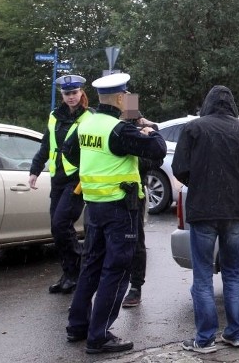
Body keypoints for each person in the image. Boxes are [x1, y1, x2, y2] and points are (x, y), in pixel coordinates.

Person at [62, 73, 167, 355]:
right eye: (127, 95)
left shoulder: (88, 123)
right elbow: (159, 149)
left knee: (91, 266)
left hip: (94, 206)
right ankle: (99, 336)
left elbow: (68, 151)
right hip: (120, 207)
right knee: (117, 271)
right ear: (121, 98)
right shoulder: (118, 130)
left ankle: (78, 326)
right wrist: (148, 129)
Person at [172, 85, 239, 354]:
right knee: (234, 273)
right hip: (235, 210)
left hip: (203, 211)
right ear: (232, 104)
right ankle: (236, 332)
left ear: (207, 103)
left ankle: (205, 338)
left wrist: (199, 183)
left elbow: (179, 168)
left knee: (203, 276)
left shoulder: (194, 129)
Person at [28, 74, 92, 295]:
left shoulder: (88, 118)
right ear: (62, 96)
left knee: (61, 223)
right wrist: (35, 170)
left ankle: (78, 269)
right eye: (67, 94)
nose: (71, 97)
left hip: (77, 179)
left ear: (81, 93)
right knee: (57, 229)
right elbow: (46, 145)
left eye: (74, 93)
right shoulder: (55, 116)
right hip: (58, 179)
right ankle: (69, 274)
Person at [122, 112, 163, 309]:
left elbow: (156, 159)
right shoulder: (111, 127)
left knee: (136, 242)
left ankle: (135, 287)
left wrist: (138, 159)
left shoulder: (146, 130)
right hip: (106, 196)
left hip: (133, 195)